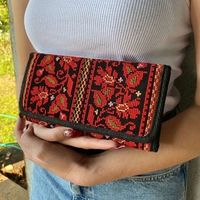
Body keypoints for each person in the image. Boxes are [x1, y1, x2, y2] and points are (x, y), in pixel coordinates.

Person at [12, 0, 200, 199]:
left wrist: (87, 169)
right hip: (49, 170)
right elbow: (28, 72)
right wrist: (30, 127)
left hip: (139, 174)